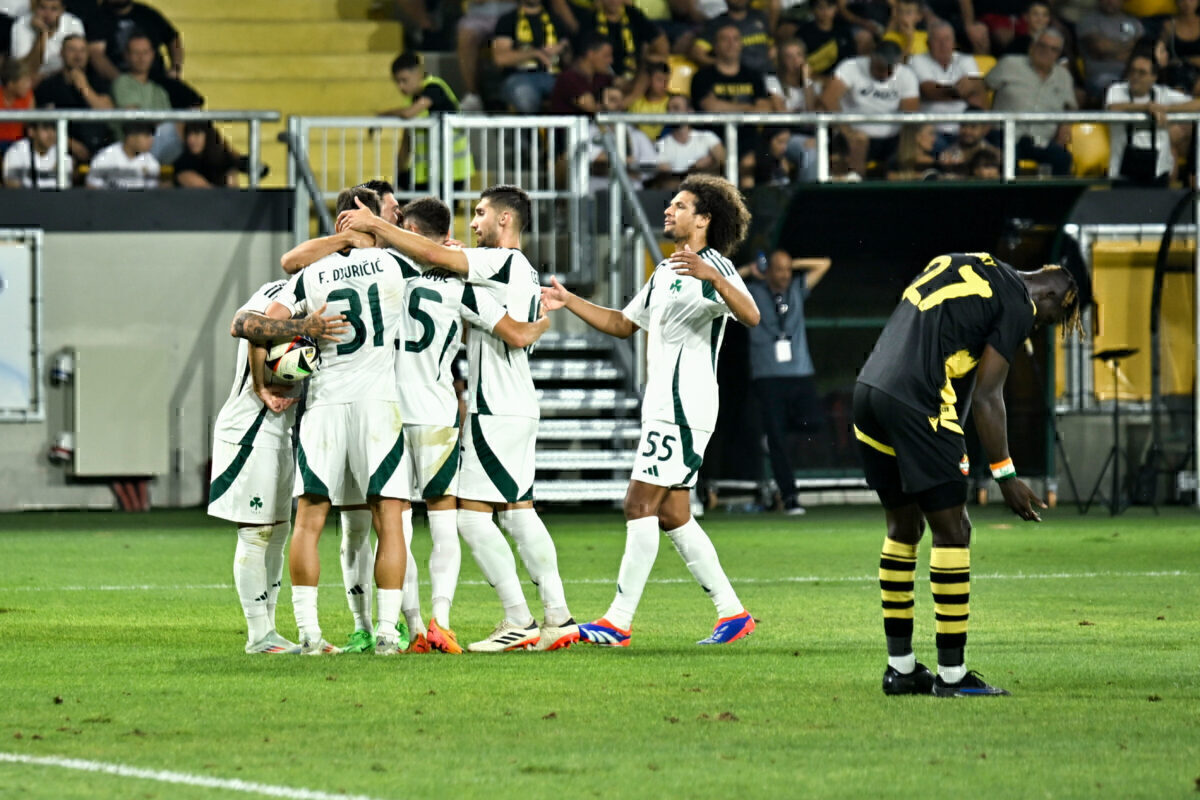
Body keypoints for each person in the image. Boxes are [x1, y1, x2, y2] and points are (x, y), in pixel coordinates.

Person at [282, 193, 552, 655]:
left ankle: (403, 626)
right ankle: (439, 621)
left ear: (404, 231)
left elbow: (293, 264)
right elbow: (515, 332)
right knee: (444, 524)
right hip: (435, 413)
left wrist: (358, 236)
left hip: (382, 411)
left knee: (390, 526)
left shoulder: (384, 267)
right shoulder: (452, 281)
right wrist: (542, 322)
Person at [539, 174, 761, 648]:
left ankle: (618, 621)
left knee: (638, 505)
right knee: (674, 514)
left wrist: (714, 278)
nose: (668, 211)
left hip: (683, 405)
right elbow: (624, 323)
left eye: (679, 206)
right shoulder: (665, 269)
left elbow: (751, 315)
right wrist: (568, 300)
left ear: (703, 219)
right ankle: (733, 613)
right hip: (663, 404)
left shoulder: (713, 264)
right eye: (670, 204)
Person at [854, 252, 1081, 697]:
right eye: (1054, 318)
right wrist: (1006, 475)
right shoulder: (1019, 302)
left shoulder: (971, 263)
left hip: (869, 392)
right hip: (917, 400)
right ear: (1055, 295)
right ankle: (953, 676)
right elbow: (988, 396)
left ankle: (901, 669)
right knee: (954, 531)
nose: (1042, 325)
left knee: (903, 527)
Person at [253, 187, 412, 655]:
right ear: (368, 217)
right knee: (389, 520)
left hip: (324, 404)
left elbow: (266, 326)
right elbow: (436, 257)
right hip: (378, 405)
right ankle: (387, 633)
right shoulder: (394, 263)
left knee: (309, 521)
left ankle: (309, 634)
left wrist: (295, 341)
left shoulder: (312, 274)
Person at [208, 281, 344, 655]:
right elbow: (246, 326)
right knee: (257, 533)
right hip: (248, 429)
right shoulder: (281, 292)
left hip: (280, 432)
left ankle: (270, 630)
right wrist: (260, 386)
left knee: (279, 533)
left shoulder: (322, 297)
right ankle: (258, 634)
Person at [741, 249, 831, 515]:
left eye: (787, 270)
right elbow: (723, 281)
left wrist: (795, 263)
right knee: (778, 440)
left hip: (800, 371)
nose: (784, 275)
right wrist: (751, 270)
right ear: (768, 271)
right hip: (768, 375)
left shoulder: (797, 288)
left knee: (814, 421)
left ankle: (774, 436)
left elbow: (824, 263)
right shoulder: (754, 292)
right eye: (778, 270)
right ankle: (790, 497)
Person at [819, 40, 920, 177]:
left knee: (913, 137)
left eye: (890, 70)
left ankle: (902, 181)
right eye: (880, 69)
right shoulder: (851, 67)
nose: (885, 74)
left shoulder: (906, 75)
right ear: (872, 58)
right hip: (854, 134)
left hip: (892, 137)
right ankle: (856, 182)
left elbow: (911, 112)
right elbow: (828, 99)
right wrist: (847, 131)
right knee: (859, 140)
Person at [985, 28, 1076, 176]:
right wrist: (985, 121)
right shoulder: (1009, 64)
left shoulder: (1064, 76)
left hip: (1041, 139)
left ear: (1058, 54)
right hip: (1005, 133)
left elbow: (1070, 107)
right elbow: (982, 89)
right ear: (1032, 46)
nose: (1046, 52)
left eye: (1053, 49)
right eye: (1042, 45)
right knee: (1008, 158)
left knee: (1063, 158)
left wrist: (1065, 125)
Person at [382, 51, 473, 191]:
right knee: (392, 194)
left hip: (451, 172)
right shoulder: (411, 100)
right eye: (397, 82)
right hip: (426, 173)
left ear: (418, 73)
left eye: (404, 80)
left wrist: (382, 115)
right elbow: (406, 144)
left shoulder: (434, 88)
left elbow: (408, 113)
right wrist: (397, 177)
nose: (401, 87)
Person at [1104, 51, 1200, 185]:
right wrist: (1147, 107)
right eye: (1133, 71)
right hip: (1122, 173)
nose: (1135, 76)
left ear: (1153, 77)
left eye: (1142, 73)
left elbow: (1197, 104)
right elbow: (1113, 107)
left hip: (1158, 173)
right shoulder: (1117, 90)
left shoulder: (1162, 94)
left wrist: (1167, 109)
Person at [33, 33, 113, 162]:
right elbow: (43, 124)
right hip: (61, 149)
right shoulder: (48, 85)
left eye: (82, 51)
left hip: (99, 149)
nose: (78, 56)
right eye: (72, 50)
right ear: (61, 53)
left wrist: (84, 88)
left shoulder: (98, 81)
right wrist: (69, 143)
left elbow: (108, 112)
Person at [909, 21, 985, 144]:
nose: (943, 44)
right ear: (928, 44)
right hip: (932, 132)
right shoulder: (916, 60)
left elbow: (978, 97)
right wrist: (961, 91)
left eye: (947, 39)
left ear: (954, 43)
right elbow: (930, 92)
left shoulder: (966, 60)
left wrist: (945, 92)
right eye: (937, 40)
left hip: (964, 131)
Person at [492, 0, 571, 114]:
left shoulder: (556, 19)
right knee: (525, 97)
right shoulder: (507, 20)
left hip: (553, 76)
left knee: (574, 93)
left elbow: (569, 60)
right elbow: (500, 59)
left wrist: (562, 48)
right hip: (518, 77)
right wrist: (536, 53)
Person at [575, 0, 668, 89]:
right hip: (603, 78)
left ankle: (630, 97)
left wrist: (650, 58)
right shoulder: (591, 18)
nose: (614, 1)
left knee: (648, 70)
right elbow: (584, 57)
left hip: (634, 77)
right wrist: (612, 78)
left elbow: (660, 41)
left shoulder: (633, 14)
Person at [87, 0, 184, 82]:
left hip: (156, 81)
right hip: (116, 84)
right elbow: (96, 54)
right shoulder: (97, 17)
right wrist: (122, 82)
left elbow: (173, 39)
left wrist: (175, 68)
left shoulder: (148, 14)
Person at [652, 92, 726, 189]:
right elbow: (668, 183)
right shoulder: (661, 145)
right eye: (668, 109)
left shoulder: (708, 137)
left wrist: (683, 174)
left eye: (676, 108)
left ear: (689, 111)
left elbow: (725, 166)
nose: (671, 112)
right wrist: (695, 168)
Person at [454, 0, 519, 111]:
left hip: (514, 14)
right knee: (466, 35)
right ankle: (472, 95)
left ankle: (517, 92)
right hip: (478, 17)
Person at [1077, 0, 1143, 102]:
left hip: (1131, 75)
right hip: (1101, 76)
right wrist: (1130, 45)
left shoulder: (1134, 22)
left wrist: (1111, 51)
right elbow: (1100, 48)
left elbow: (1141, 50)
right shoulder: (1088, 20)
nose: (1110, 1)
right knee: (1113, 89)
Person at [690, 0, 773, 76]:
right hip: (736, 79)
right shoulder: (716, 24)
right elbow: (697, 53)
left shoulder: (760, 17)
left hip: (767, 75)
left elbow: (772, 46)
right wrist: (723, 65)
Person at [8, 0, 85, 81]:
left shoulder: (73, 24)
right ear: (34, 8)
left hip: (62, 79)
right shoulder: (21, 25)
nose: (47, 14)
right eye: (42, 7)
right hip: (30, 81)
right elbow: (23, 71)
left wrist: (46, 78)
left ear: (62, 10)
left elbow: (77, 65)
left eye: (54, 9)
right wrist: (41, 35)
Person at [548, 31, 613, 115]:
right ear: (591, 54)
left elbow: (622, 85)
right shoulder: (569, 77)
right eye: (606, 56)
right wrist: (612, 105)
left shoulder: (600, 76)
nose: (611, 61)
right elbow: (590, 107)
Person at [86, 121, 159, 189]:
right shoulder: (105, 156)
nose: (151, 140)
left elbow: (151, 193)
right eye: (146, 136)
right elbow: (92, 186)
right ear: (131, 137)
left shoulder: (151, 162)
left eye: (151, 136)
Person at [797, 0, 858, 79]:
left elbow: (851, 59)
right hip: (813, 79)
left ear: (836, 8)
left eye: (829, 6)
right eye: (820, 7)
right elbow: (800, 66)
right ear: (812, 10)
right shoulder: (803, 33)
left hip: (841, 79)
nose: (825, 11)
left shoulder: (843, 31)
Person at [2, 119, 70, 186]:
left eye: (54, 129)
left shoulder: (62, 153)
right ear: (31, 131)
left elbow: (66, 188)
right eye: (45, 128)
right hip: (26, 194)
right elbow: (12, 186)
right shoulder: (16, 151)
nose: (51, 134)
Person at [173, 121, 238, 187]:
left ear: (208, 135)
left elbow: (232, 186)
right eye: (188, 134)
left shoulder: (223, 157)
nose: (191, 139)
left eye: (197, 133)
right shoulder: (183, 162)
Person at [0, 60, 34, 155]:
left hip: (18, 146)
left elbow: (30, 127)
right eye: (24, 82)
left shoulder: (28, 97)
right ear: (11, 84)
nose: (29, 85)